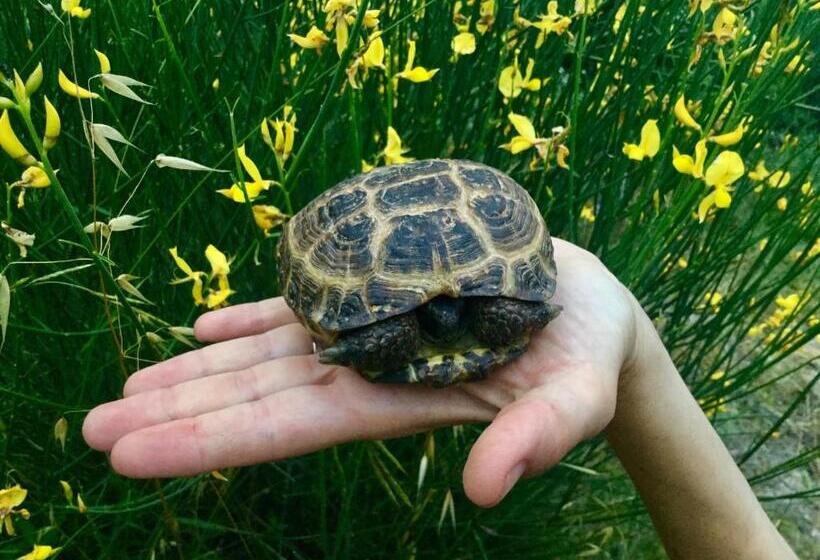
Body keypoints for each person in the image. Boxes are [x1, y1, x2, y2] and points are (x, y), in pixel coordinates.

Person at [83, 238, 798, 559]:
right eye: (434, 313)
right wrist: (637, 362)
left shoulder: (482, 310)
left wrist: (621, 343)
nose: (447, 317)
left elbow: (503, 308)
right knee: (388, 335)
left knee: (479, 318)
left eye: (458, 309)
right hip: (376, 290)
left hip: (486, 273)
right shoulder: (403, 323)